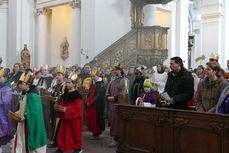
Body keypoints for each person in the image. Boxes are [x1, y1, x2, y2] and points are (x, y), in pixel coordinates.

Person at [10, 70, 47, 153]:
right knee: (20, 142)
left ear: (28, 85)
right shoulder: (23, 94)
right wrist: (17, 113)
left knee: (29, 143)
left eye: (21, 84)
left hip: (30, 124)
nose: (19, 85)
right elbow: (22, 107)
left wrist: (25, 116)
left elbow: (35, 112)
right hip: (22, 123)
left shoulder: (33, 95)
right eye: (19, 83)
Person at [52, 73, 82, 153]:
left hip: (74, 118)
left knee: (75, 133)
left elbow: (77, 108)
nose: (67, 84)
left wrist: (66, 109)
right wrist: (58, 107)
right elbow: (62, 103)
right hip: (66, 116)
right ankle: (61, 147)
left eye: (69, 83)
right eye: (66, 83)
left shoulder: (77, 94)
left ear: (74, 84)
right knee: (63, 133)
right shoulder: (66, 94)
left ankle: (77, 148)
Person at [106, 63, 129, 147]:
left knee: (118, 121)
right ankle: (114, 137)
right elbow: (107, 90)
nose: (115, 71)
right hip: (112, 105)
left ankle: (117, 139)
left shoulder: (124, 80)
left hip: (119, 104)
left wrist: (115, 98)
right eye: (114, 70)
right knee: (112, 121)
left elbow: (125, 93)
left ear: (121, 71)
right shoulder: (113, 80)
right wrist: (108, 96)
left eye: (117, 69)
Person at [48, 65, 67, 148]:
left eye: (59, 75)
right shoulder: (56, 85)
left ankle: (58, 141)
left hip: (60, 108)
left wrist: (57, 99)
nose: (57, 76)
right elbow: (54, 94)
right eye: (57, 75)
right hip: (54, 107)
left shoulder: (64, 86)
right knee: (54, 123)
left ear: (63, 76)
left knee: (59, 125)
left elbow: (64, 97)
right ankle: (54, 140)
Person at [86, 69, 105, 140]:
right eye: (92, 76)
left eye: (94, 76)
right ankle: (93, 132)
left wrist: (91, 102)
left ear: (98, 76)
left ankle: (96, 133)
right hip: (91, 105)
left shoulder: (100, 84)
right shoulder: (93, 83)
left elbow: (99, 96)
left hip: (96, 105)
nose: (92, 78)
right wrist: (87, 100)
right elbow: (89, 93)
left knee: (96, 120)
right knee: (90, 119)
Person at [0, 68, 13, 153]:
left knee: (4, 130)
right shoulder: (1, 86)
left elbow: (6, 101)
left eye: (0, 77)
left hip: (4, 113)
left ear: (5, 78)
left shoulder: (7, 88)